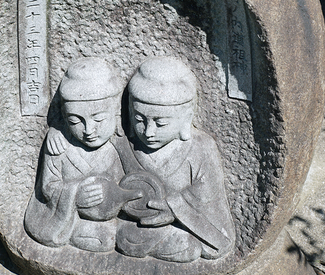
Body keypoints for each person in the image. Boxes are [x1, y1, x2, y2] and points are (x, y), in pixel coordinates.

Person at [116, 57, 236, 263]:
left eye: (160, 123)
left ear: (186, 119)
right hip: (137, 227)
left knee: (190, 246)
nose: (149, 132)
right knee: (124, 237)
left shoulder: (201, 147)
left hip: (185, 226)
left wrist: (175, 208)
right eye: (139, 120)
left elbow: (209, 196)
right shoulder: (123, 143)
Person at [24, 58, 138, 252]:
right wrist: (75, 195)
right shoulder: (59, 146)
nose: (88, 130)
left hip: (111, 215)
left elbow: (135, 179)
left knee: (121, 236)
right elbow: (47, 187)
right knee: (104, 239)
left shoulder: (119, 144)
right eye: (76, 121)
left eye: (99, 119)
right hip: (67, 218)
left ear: (116, 113)